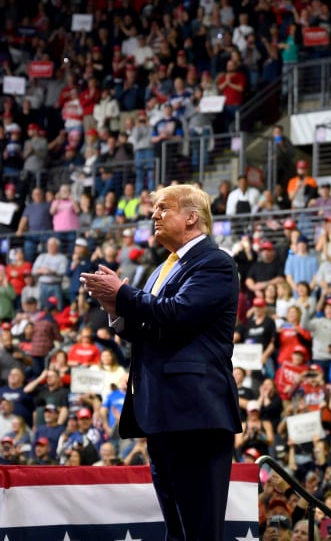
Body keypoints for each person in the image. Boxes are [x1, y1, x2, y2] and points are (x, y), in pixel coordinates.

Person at [81, 184, 241, 541]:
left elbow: (178, 313)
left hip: (195, 413)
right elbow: (148, 328)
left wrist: (122, 294)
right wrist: (116, 310)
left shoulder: (216, 263)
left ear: (191, 217)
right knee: (177, 530)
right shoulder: (160, 270)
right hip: (162, 413)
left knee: (199, 530)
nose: (154, 215)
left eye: (163, 208)